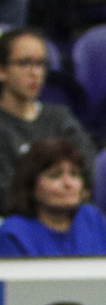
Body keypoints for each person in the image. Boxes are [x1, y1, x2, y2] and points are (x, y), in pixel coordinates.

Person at [0, 31, 85, 206]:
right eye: (25, 63)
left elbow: (87, 172)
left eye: (41, 64)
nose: (36, 73)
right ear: (2, 70)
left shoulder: (60, 118)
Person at [0, 139, 106, 256]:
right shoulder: (13, 234)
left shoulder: (92, 218)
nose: (68, 184)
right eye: (55, 176)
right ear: (31, 186)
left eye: (74, 174)